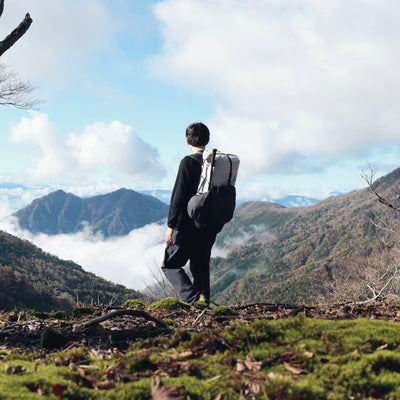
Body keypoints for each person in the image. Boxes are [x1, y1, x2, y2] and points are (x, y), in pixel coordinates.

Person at [161, 122, 217, 304]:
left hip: (185, 227)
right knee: (200, 268)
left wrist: (170, 226)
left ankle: (194, 301)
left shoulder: (188, 162)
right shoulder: (216, 164)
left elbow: (178, 196)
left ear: (187, 141)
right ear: (207, 140)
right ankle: (204, 306)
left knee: (170, 265)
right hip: (209, 226)